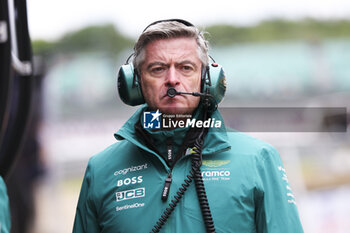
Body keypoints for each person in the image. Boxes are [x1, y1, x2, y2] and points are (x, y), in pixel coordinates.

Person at [73, 19, 304, 233]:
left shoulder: (259, 159)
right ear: (136, 83)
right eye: (158, 69)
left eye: (185, 67)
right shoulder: (101, 170)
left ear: (207, 80)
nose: (172, 79)